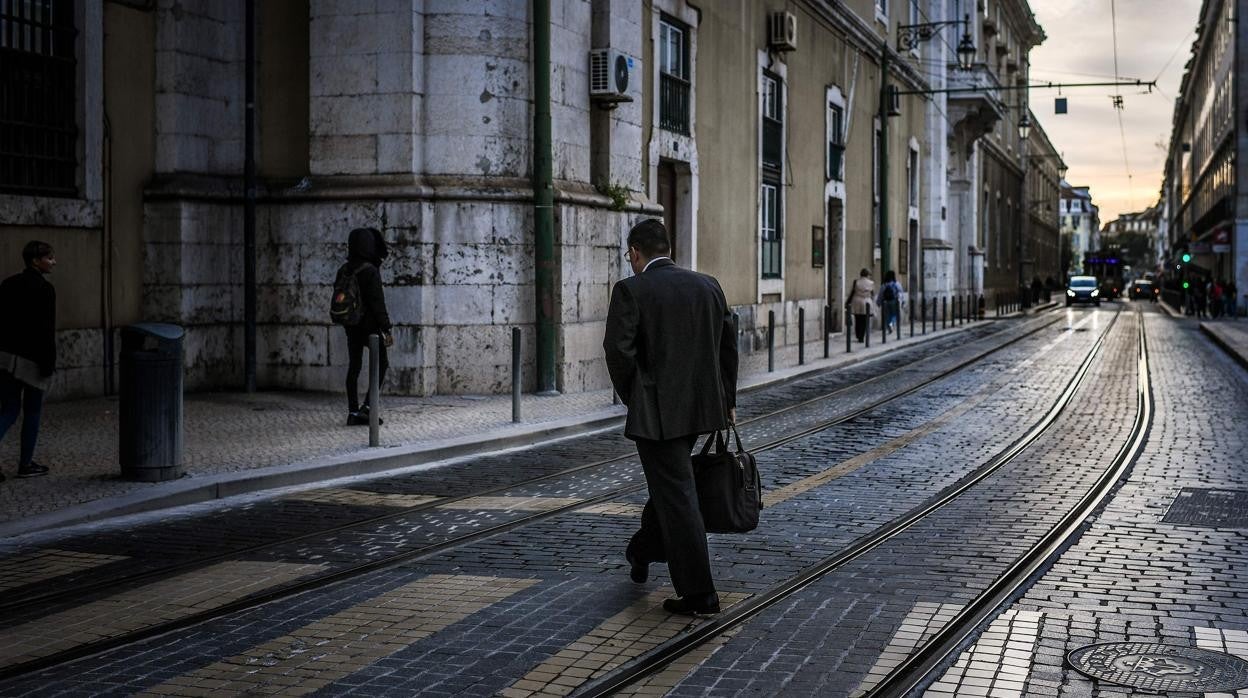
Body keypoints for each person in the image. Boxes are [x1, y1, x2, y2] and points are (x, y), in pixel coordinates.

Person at [604, 219, 738, 616]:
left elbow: (618, 352)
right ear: (669, 248)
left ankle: (700, 594)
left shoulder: (631, 289)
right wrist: (726, 400)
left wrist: (638, 398)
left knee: (678, 495)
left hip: (659, 416)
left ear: (634, 252)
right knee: (673, 486)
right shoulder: (708, 285)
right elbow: (727, 345)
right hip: (703, 410)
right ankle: (642, 549)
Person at [0, 241, 58, 481]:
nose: (54, 262)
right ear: (36, 260)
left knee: (9, 410)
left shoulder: (7, 284)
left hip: (6, 358)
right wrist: (48, 363)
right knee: (32, 412)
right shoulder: (45, 289)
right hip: (33, 360)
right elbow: (46, 329)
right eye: (49, 257)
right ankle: (25, 464)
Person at [340, 227, 393, 426]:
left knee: (354, 367)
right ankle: (368, 408)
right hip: (370, 328)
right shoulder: (370, 270)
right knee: (381, 364)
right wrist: (386, 328)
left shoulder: (345, 269)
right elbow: (377, 302)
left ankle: (353, 412)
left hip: (351, 325)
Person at [848, 268, 875, 343]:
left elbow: (852, 292)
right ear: (868, 275)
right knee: (864, 320)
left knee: (857, 319)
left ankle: (858, 334)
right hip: (866, 301)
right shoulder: (871, 283)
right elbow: (872, 294)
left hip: (856, 301)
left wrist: (848, 301)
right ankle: (862, 336)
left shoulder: (856, 282)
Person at [877, 270, 903, 335]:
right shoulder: (897, 284)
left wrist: (878, 302)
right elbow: (900, 293)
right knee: (893, 315)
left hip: (886, 302)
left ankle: (889, 326)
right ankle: (892, 325)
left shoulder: (884, 285)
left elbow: (881, 294)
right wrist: (902, 301)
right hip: (894, 301)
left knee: (887, 316)